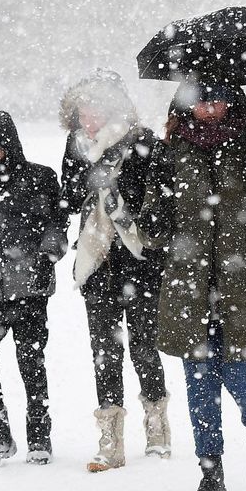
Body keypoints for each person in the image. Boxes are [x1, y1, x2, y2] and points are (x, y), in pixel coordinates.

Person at [134, 81, 246, 491]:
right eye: (200, 100)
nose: (208, 108)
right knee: (199, 384)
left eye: (217, 98)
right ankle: (210, 473)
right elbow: (152, 231)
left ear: (233, 102)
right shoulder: (170, 155)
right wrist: (153, 203)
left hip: (245, 285)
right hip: (190, 288)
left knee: (245, 377)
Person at [59, 69, 172, 470]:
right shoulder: (76, 147)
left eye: (96, 109)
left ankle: (156, 424)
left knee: (144, 346)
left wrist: (117, 188)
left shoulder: (143, 143)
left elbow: (158, 205)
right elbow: (68, 198)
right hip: (97, 261)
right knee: (104, 352)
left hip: (140, 261)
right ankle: (110, 437)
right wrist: (88, 179)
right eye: (82, 110)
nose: (88, 118)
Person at [0, 110, 67, 468]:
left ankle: (39, 435)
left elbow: (57, 223)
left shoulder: (40, 178)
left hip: (30, 288)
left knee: (31, 361)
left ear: (9, 145)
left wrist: (47, 257)